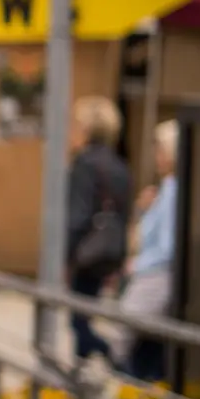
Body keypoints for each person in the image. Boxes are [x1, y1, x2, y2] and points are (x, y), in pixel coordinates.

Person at [109, 120, 179, 381]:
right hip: (150, 277)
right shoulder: (164, 190)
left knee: (125, 351)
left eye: (160, 150)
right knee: (144, 352)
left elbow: (167, 248)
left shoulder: (174, 191)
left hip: (154, 280)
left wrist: (136, 264)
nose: (156, 156)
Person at [65, 95, 132, 362]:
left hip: (87, 251)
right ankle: (81, 376)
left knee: (77, 321)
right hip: (110, 250)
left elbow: (78, 216)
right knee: (82, 316)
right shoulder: (120, 165)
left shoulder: (84, 164)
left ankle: (113, 357)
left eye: (76, 124)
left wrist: (65, 257)